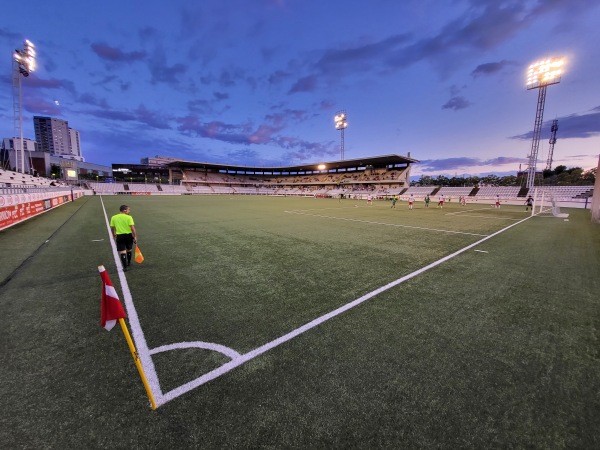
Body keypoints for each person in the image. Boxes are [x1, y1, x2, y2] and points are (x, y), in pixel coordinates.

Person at [110, 205, 137, 271]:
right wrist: (135, 236)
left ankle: (125, 267)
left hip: (120, 236)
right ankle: (129, 263)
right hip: (128, 235)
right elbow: (132, 228)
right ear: (124, 210)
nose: (129, 211)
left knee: (122, 252)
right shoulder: (129, 217)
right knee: (129, 249)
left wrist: (113, 235)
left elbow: (112, 228)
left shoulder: (114, 217)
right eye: (128, 209)